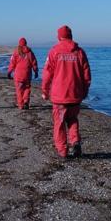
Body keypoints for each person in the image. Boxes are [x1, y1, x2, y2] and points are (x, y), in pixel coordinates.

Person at [41, 25, 91, 158]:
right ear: (71, 36)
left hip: (60, 96)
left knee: (59, 123)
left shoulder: (54, 51)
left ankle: (63, 150)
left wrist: (45, 90)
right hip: (75, 95)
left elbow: (47, 74)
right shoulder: (79, 52)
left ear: (59, 37)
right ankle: (75, 142)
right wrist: (84, 91)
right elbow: (87, 75)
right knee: (73, 119)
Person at [7, 37, 38, 110]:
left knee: (19, 90)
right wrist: (36, 71)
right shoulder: (30, 53)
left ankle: (21, 105)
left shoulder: (16, 52)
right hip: (27, 75)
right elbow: (34, 63)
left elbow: (12, 63)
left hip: (18, 76)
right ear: (26, 44)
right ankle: (26, 101)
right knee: (27, 88)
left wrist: (9, 72)